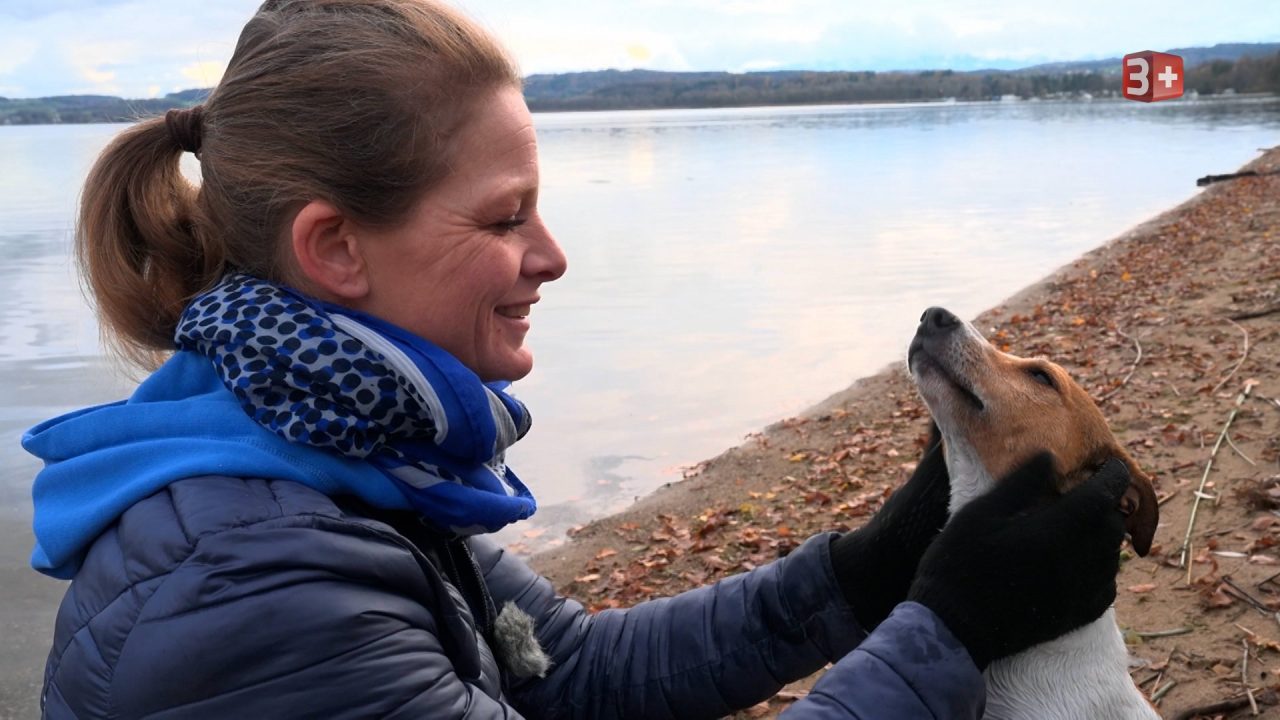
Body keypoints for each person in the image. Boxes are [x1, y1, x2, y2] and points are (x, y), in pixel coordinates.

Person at [25, 1, 1130, 717]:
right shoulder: (251, 584)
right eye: (506, 217)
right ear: (335, 247)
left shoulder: (338, 463)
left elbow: (578, 677)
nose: (549, 257)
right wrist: (947, 636)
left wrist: (866, 575)